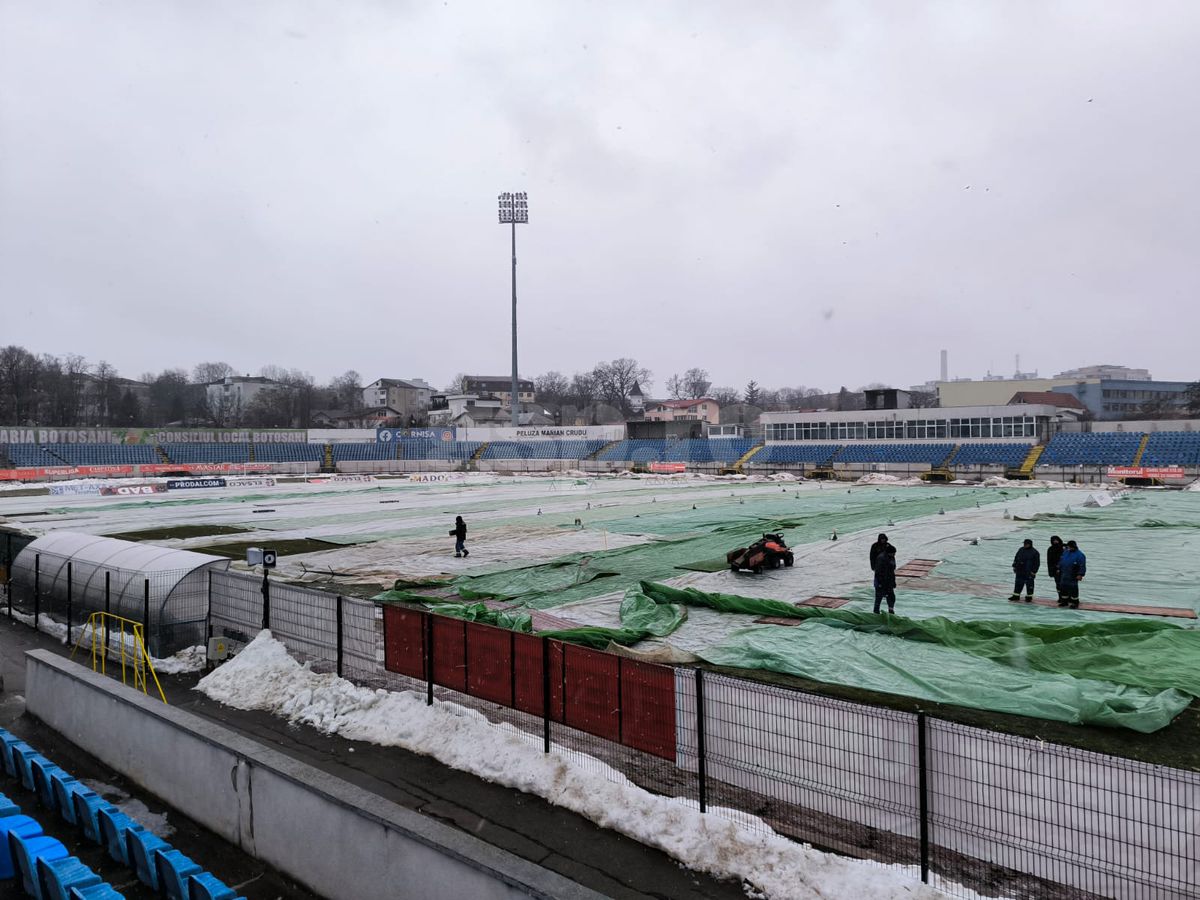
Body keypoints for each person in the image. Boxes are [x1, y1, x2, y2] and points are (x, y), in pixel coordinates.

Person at [1058, 540, 1086, 609]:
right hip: (1064, 573)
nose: (1069, 548)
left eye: (1070, 547)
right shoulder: (1066, 552)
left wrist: (1080, 574)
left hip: (1073, 574)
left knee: (1073, 588)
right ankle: (1064, 601)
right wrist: (1059, 568)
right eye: (1068, 547)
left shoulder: (1080, 555)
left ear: (1074, 546)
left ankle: (1075, 602)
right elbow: (1061, 560)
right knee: (1063, 587)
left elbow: (1082, 565)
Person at [873, 548, 897, 614]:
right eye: (893, 553)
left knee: (891, 596)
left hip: (889, 581)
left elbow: (892, 570)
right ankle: (876, 612)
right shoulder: (881, 558)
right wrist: (880, 583)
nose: (894, 554)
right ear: (889, 552)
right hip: (880, 582)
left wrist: (893, 582)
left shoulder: (891, 557)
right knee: (879, 597)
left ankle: (891, 609)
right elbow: (878, 572)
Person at [1046, 535, 1065, 601]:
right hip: (1054, 570)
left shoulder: (1064, 547)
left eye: (1056, 540)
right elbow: (1049, 561)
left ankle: (1067, 597)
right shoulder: (1050, 549)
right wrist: (1051, 571)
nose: (1055, 541)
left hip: (1064, 569)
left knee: (1065, 584)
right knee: (1058, 584)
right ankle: (1060, 597)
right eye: (1053, 540)